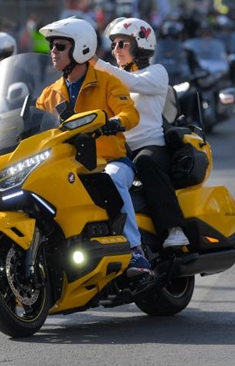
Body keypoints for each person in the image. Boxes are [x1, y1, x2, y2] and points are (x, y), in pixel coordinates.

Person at [34, 17, 150, 275]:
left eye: (60, 46)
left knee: (112, 179)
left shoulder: (108, 81)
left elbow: (130, 113)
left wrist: (115, 122)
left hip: (110, 161)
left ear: (81, 48)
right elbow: (35, 121)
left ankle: (134, 250)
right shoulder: (50, 93)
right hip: (68, 164)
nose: (53, 52)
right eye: (52, 46)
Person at [93, 18, 191, 249]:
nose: (115, 50)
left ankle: (174, 229)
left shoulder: (157, 72)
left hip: (151, 145)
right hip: (119, 150)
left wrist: (95, 62)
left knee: (146, 162)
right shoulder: (113, 76)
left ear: (140, 45)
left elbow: (132, 82)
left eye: (122, 44)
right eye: (114, 44)